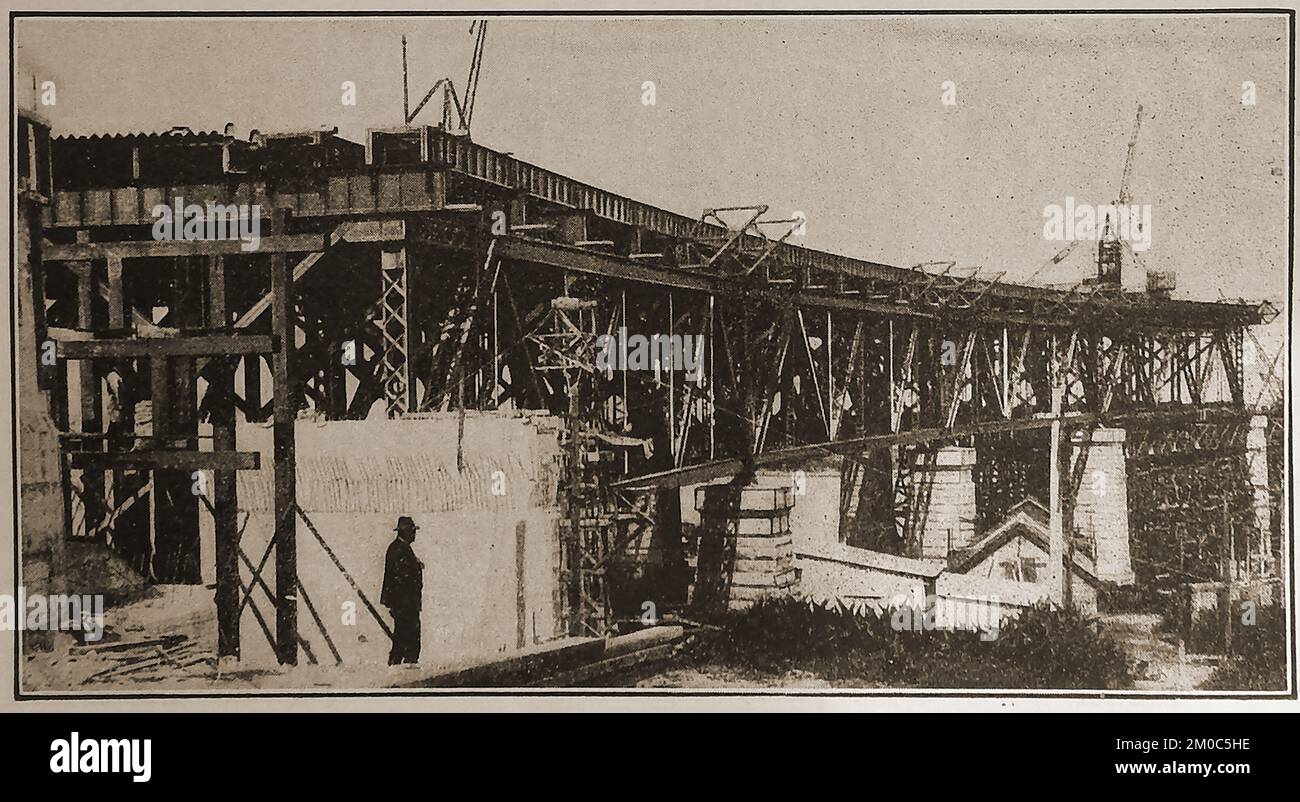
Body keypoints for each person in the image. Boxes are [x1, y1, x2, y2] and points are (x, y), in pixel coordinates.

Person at [380, 516, 424, 665]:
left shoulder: (400, 548)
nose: (414, 535)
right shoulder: (400, 549)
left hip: (405, 603)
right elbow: (402, 579)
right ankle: (403, 667)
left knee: (403, 636)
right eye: (412, 532)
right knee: (407, 637)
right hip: (405, 604)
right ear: (405, 533)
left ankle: (398, 665)